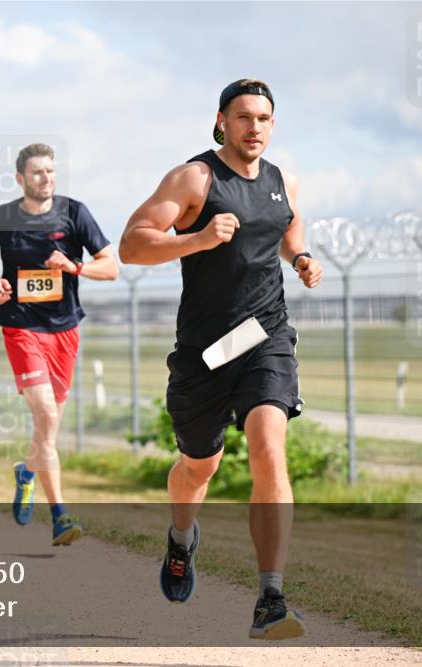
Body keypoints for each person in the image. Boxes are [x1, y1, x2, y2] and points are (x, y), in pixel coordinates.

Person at [119, 79, 323, 640]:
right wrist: (198, 239)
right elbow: (132, 245)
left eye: (263, 118)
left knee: (269, 449)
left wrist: (300, 255)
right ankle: (182, 537)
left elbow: (288, 221)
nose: (253, 127)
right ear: (222, 121)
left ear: (272, 125)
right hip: (205, 352)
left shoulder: (284, 181)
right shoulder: (195, 178)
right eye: (243, 117)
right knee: (197, 468)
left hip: (265, 334)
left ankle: (271, 597)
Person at [0, 143, 118, 546]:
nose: (46, 179)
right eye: (37, 173)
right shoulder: (0, 218)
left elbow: (112, 267)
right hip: (21, 327)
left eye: (51, 172)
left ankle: (27, 473)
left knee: (47, 427)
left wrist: (75, 267)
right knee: (47, 418)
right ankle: (59, 515)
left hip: (65, 330)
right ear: (20, 179)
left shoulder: (74, 213)